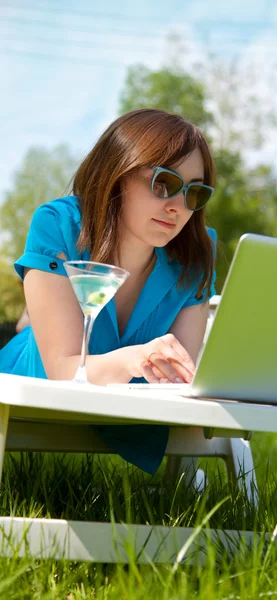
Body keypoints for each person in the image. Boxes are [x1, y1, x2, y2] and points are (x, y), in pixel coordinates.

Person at [0, 108, 217, 474]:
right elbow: (61, 371)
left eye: (194, 193)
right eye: (163, 183)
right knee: (33, 335)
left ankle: (30, 320)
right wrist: (137, 358)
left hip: (126, 405)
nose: (178, 207)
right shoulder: (59, 223)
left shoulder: (196, 254)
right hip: (28, 377)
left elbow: (178, 381)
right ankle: (29, 324)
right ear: (117, 174)